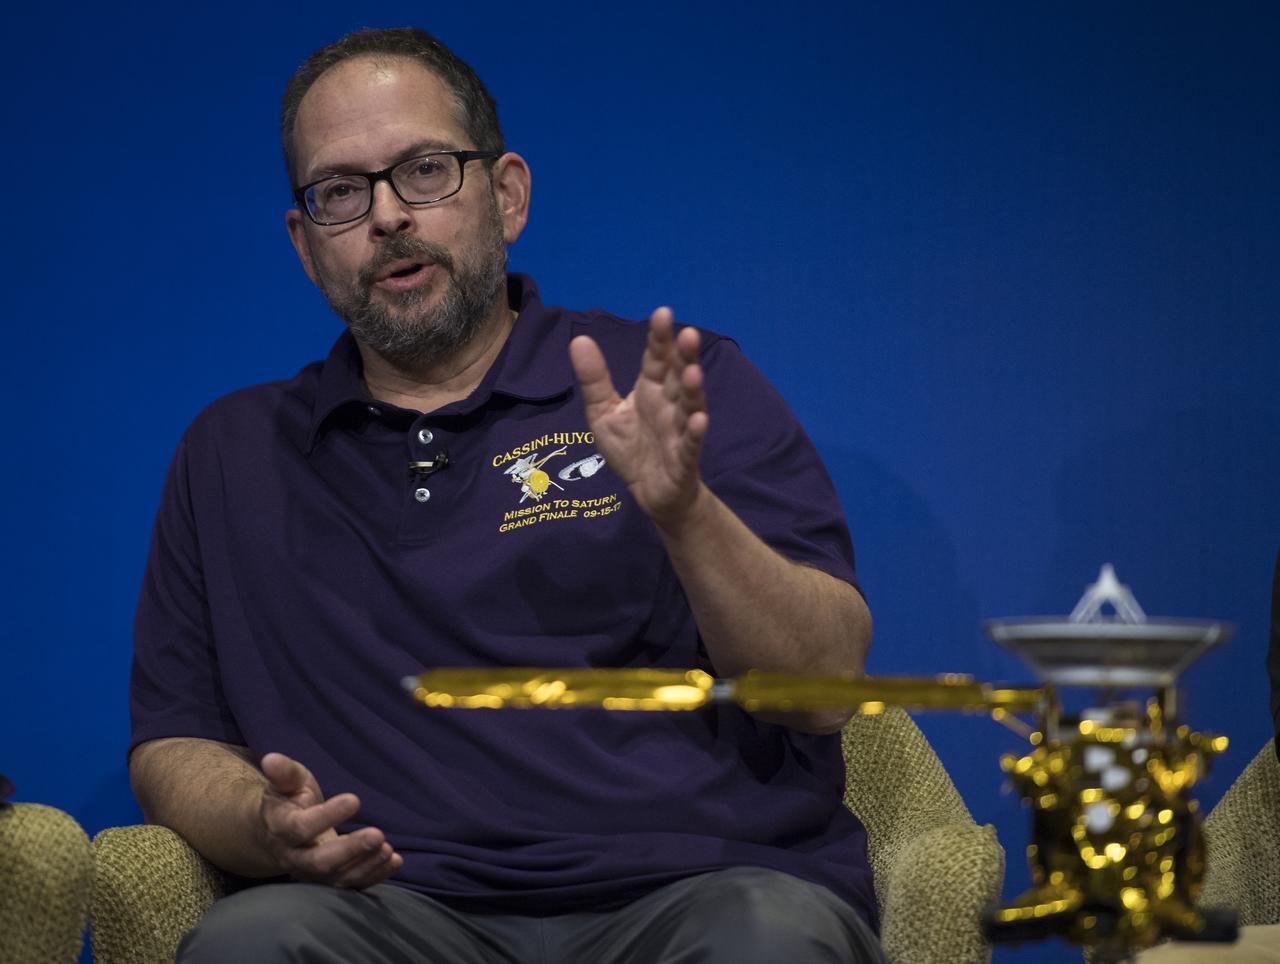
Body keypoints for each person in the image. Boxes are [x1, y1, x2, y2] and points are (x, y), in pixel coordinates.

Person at [129, 26, 883, 963]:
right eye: (340, 191)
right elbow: (174, 740)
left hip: (696, 890)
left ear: (508, 194)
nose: (389, 215)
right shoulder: (231, 453)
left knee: (772, 940)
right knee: (254, 943)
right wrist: (259, 820)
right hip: (389, 908)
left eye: (425, 171)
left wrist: (688, 518)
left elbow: (824, 692)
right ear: (305, 243)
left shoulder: (673, 386)